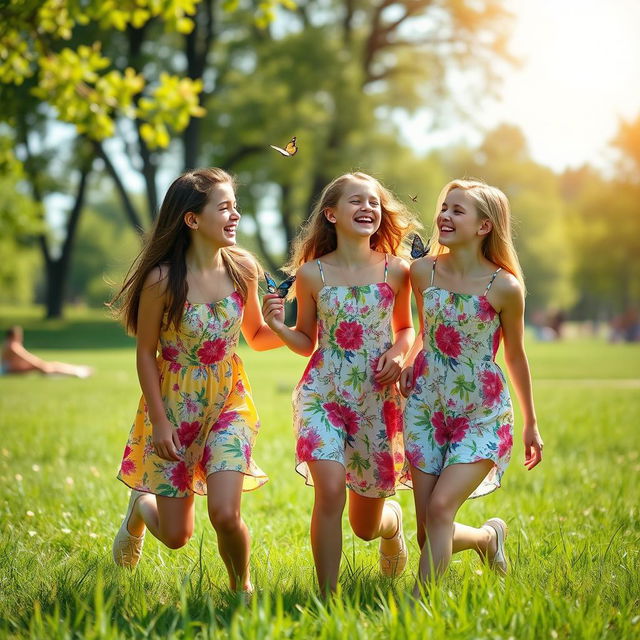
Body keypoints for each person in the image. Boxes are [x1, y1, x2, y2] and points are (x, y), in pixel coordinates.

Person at [110, 168, 282, 595]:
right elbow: (145, 355)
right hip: (174, 404)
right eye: (224, 208)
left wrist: (290, 328)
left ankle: (242, 590)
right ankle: (139, 506)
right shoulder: (163, 281)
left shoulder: (243, 268)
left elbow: (257, 337)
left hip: (228, 400)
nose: (235, 215)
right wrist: (161, 422)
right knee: (175, 537)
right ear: (192, 219)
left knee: (225, 513)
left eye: (236, 207)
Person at [262, 171, 419, 594]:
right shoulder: (312, 275)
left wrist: (400, 353)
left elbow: (407, 329)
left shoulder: (398, 271)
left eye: (373, 201)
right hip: (324, 394)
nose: (367, 208)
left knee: (365, 528)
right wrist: (278, 325)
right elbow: (305, 342)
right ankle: (326, 598)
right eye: (356, 201)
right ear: (331, 214)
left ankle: (391, 525)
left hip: (376, 399)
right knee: (329, 490)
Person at [400, 179, 543, 595]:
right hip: (427, 407)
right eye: (444, 207)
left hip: (481, 413)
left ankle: (417, 606)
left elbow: (515, 356)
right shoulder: (422, 271)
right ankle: (485, 539)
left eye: (457, 210)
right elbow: (428, 331)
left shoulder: (504, 286)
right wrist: (410, 361)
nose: (444, 215)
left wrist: (531, 423)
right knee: (429, 529)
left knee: (442, 509)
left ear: (484, 226)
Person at [1, 325, 92, 378]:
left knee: (48, 365)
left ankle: (75, 370)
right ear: (14, 335)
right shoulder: (13, 346)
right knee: (45, 367)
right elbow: (26, 357)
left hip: (10, 369)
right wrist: (39, 364)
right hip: (9, 371)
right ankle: (76, 372)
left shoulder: (9, 344)